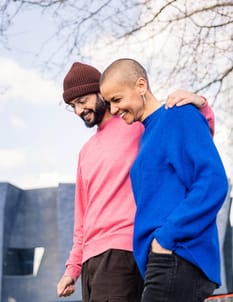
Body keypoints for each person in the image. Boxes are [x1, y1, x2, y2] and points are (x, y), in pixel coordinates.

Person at [57, 62, 215, 302]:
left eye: (82, 101)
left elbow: (190, 140)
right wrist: (73, 267)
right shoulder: (85, 152)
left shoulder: (136, 125)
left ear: (102, 93)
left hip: (124, 249)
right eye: (72, 106)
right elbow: (82, 215)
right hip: (91, 259)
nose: (79, 111)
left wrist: (200, 105)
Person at [100, 58, 228, 302]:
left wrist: (166, 238)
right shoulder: (147, 134)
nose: (113, 109)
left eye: (117, 99)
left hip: (178, 255)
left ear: (141, 85)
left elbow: (212, 181)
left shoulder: (177, 115)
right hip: (160, 260)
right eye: (108, 103)